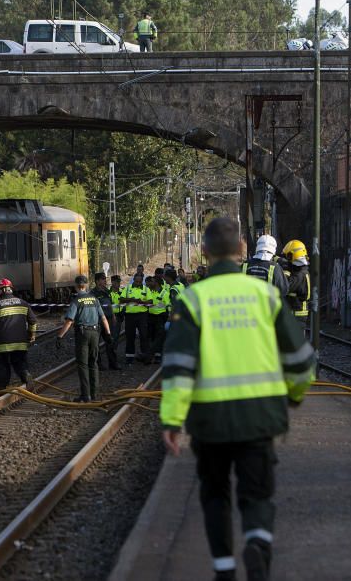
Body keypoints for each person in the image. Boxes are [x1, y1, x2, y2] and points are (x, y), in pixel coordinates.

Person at [161, 218, 315, 581]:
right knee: (257, 493)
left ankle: (224, 569)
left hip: (209, 421)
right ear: (241, 251)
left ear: (205, 252)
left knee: (215, 493)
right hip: (261, 414)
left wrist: (171, 421)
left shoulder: (193, 299)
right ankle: (258, 543)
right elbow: (300, 361)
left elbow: (179, 367)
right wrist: (293, 397)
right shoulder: (265, 297)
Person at [57, 275, 110, 402]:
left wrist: (60, 336)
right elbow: (103, 318)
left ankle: (86, 395)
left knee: (83, 365)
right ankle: (95, 395)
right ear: (86, 285)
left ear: (76, 286)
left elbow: (69, 321)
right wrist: (108, 333)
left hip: (83, 334)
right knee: (93, 363)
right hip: (95, 333)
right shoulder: (94, 299)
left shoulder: (77, 301)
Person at [0, 278, 38, 388]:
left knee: (2, 365)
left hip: (3, 344)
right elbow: (33, 321)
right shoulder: (23, 303)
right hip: (20, 342)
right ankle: (26, 375)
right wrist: (32, 334)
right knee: (20, 363)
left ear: (1, 291)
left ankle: (1, 388)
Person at [121, 272, 152, 364]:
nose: (138, 283)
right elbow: (121, 299)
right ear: (133, 281)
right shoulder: (127, 288)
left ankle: (144, 356)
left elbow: (150, 301)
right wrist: (132, 300)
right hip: (130, 316)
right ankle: (129, 357)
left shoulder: (146, 289)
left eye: (140, 282)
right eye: (136, 281)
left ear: (142, 282)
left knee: (143, 335)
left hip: (142, 315)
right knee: (130, 336)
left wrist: (141, 302)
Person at [92, 272, 121, 370]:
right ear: (97, 281)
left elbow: (110, 304)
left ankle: (113, 364)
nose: (105, 280)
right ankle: (99, 365)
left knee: (110, 341)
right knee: (96, 344)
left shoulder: (107, 291)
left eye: (105, 279)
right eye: (103, 279)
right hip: (98, 320)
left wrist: (113, 316)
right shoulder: (93, 293)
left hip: (108, 319)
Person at [279, 240, 310, 322]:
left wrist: (285, 269)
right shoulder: (299, 271)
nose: (286, 259)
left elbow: (285, 286)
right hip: (294, 316)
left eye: (287, 256)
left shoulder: (300, 275)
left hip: (297, 317)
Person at [147, 273, 170, 362]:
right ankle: (153, 355)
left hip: (160, 317)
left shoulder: (164, 293)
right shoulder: (150, 291)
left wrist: (169, 317)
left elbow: (168, 305)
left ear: (156, 283)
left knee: (159, 337)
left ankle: (158, 356)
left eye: (152, 281)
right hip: (150, 316)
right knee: (151, 336)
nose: (149, 283)